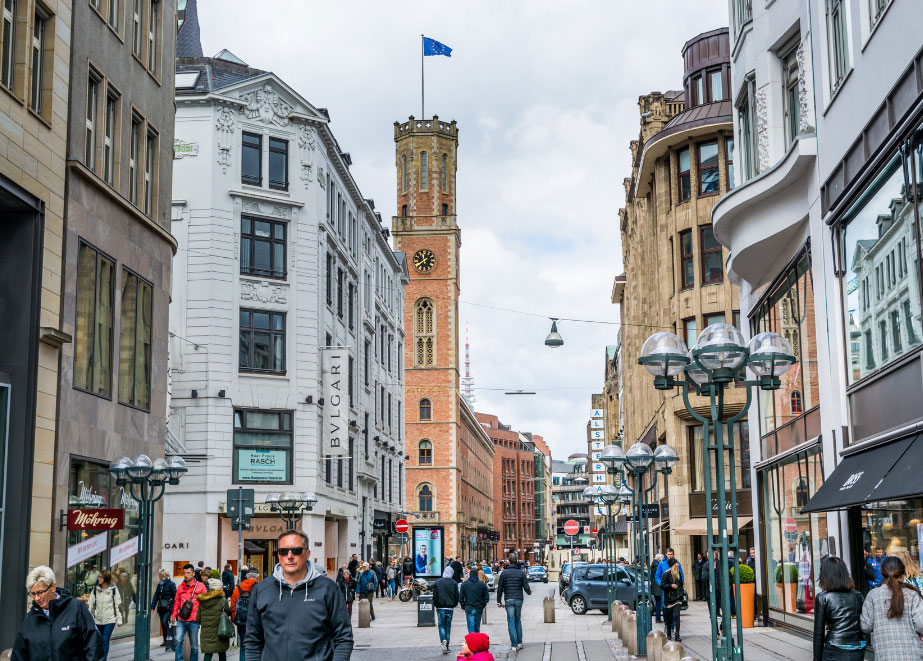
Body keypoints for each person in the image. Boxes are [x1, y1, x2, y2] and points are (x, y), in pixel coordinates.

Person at [243, 529, 352, 660]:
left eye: (296, 550)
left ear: (307, 554)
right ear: (278, 556)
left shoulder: (328, 589)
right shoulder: (261, 590)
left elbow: (343, 638)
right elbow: (252, 641)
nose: (289, 556)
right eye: (284, 551)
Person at [12, 565, 104, 660]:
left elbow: (94, 647)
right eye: (33, 594)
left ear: (53, 587)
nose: (36, 598)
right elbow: (19, 655)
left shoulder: (76, 608)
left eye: (40, 592)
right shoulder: (30, 619)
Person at [860, 556, 923, 659]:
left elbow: (866, 626)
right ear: (903, 575)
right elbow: (921, 625)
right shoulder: (912, 595)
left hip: (884, 655)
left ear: (881, 573)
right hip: (913, 655)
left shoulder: (873, 595)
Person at [812, 556, 866, 661]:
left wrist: (817, 659)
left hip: (835, 647)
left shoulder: (822, 597)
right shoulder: (858, 595)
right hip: (858, 647)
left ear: (825, 575)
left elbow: (818, 634)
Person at [171, 563, 207, 661]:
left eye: (188, 573)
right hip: (181, 619)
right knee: (178, 640)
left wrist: (203, 617)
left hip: (194, 620)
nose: (186, 575)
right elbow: (176, 603)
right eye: (185, 573)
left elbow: (205, 603)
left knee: (194, 646)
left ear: (193, 573)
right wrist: (173, 615)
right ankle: (180, 660)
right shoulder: (180, 587)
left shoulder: (201, 586)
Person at [496, 558, 531, 651]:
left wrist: (498, 601)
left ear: (508, 563)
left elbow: (500, 588)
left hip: (509, 599)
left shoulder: (504, 573)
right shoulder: (521, 573)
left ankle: (514, 645)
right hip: (518, 599)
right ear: (516, 563)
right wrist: (529, 592)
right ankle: (519, 643)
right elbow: (526, 586)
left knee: (511, 622)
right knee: (518, 620)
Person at [87, 570, 122, 659]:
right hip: (98, 620)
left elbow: (118, 605)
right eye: (98, 577)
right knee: (99, 641)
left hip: (110, 620)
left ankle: (103, 659)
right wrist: (88, 618)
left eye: (101, 577)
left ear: (106, 578)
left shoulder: (113, 589)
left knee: (105, 639)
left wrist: (119, 619)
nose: (99, 579)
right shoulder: (95, 589)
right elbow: (90, 605)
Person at [196, 575, 231, 661]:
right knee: (222, 652)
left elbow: (198, 618)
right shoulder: (223, 601)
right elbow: (228, 613)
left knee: (208, 653)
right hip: (221, 632)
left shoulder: (202, 601)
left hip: (207, 633)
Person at [230, 568, 258, 661]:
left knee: (243, 645)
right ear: (257, 576)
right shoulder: (260, 588)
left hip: (241, 621)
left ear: (246, 575)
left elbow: (233, 606)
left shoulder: (237, 589)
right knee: (256, 646)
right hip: (255, 622)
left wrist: (235, 620)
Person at [434, 566, 460, 654]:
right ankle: (447, 645)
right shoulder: (454, 583)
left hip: (440, 607)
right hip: (450, 607)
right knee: (448, 626)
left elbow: (435, 596)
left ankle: (443, 640)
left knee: (441, 626)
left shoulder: (438, 582)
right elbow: (457, 596)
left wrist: (436, 604)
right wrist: (454, 604)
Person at [654, 549, 684, 626]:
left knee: (674, 610)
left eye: (671, 554)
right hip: (665, 590)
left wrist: (679, 584)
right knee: (665, 608)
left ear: (673, 554)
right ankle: (667, 625)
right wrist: (661, 584)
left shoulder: (677, 563)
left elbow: (681, 574)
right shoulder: (661, 563)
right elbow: (657, 575)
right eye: (668, 554)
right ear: (665, 554)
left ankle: (673, 626)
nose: (670, 556)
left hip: (675, 590)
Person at [460, 564, 490, 634]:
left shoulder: (465, 584)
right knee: (477, 627)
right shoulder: (482, 584)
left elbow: (461, 597)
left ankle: (472, 642)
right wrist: (483, 605)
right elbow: (486, 598)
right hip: (478, 607)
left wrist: (463, 606)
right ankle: (476, 642)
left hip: (469, 606)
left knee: (471, 626)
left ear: (470, 574)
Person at [152, 569, 177, 648]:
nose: (158, 576)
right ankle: (166, 640)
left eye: (160, 575)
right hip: (161, 607)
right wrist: (152, 606)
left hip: (168, 607)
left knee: (164, 621)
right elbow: (156, 595)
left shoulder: (171, 584)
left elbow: (175, 596)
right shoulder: (160, 584)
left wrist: (173, 607)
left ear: (163, 575)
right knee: (163, 624)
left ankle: (169, 639)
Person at [661, 556, 684, 642]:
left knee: (677, 616)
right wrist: (670, 586)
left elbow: (681, 584)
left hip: (678, 598)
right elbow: (662, 585)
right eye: (676, 563)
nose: (678, 565)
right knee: (670, 617)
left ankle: (677, 634)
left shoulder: (679, 574)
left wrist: (681, 593)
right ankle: (669, 633)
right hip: (670, 599)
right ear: (673, 565)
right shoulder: (666, 574)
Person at [650, 553, 664, 623]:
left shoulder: (654, 564)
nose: (663, 558)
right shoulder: (657, 565)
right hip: (658, 587)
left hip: (655, 587)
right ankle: (658, 618)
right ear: (659, 558)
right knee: (659, 603)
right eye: (662, 557)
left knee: (658, 602)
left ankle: (658, 618)